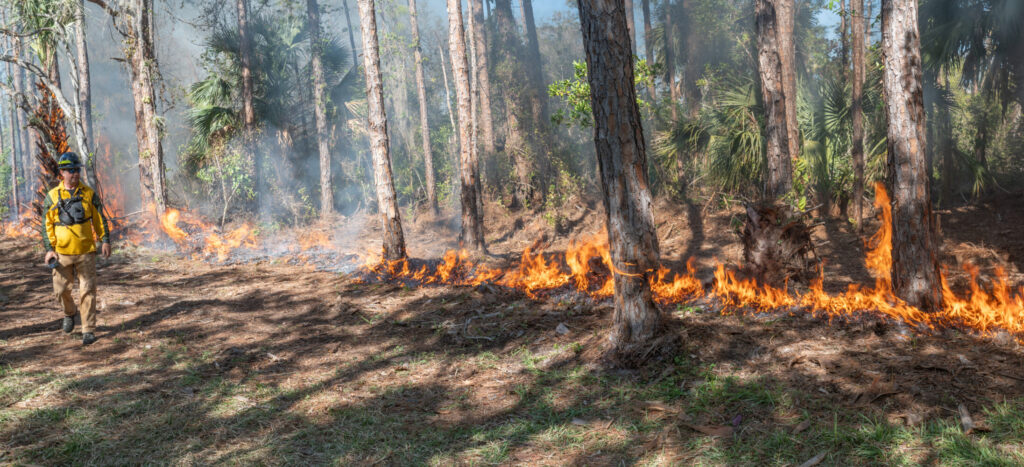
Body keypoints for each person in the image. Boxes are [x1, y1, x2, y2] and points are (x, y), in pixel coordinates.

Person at [42, 152, 111, 345]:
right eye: (70, 171)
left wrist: (105, 240)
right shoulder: (52, 196)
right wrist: (49, 249)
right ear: (62, 173)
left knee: (88, 290)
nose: (75, 174)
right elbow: (46, 224)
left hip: (86, 252)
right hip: (61, 252)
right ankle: (69, 312)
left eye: (77, 170)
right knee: (61, 289)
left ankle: (88, 329)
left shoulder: (88, 194)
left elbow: (99, 219)